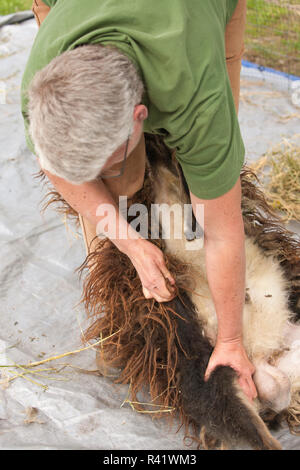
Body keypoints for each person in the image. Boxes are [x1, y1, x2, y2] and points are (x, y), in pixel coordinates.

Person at [21, 0, 257, 402]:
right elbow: (54, 166)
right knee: (115, 184)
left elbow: (223, 234)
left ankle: (187, 187)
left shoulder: (197, 94)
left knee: (211, 177)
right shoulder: (45, 86)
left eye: (105, 159)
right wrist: (129, 242)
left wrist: (231, 340)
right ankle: (123, 311)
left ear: (140, 115)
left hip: (193, 19)